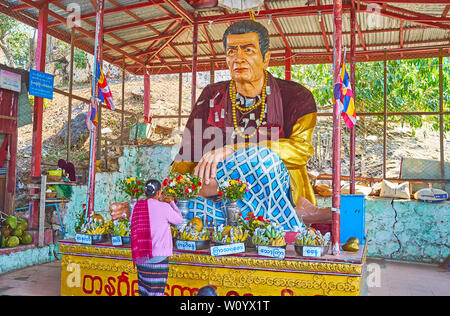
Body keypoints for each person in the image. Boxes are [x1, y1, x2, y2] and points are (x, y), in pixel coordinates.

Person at [170, 20, 331, 229]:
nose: (239, 59)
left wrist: (234, 150)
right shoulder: (212, 96)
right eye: (231, 52)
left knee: (260, 160)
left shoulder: (295, 96)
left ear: (266, 59)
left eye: (248, 50)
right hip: (221, 199)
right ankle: (292, 217)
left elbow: (300, 151)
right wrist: (167, 190)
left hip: (277, 193)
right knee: (185, 210)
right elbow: (187, 155)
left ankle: (281, 215)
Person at [130, 179, 183, 296]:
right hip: (158, 259)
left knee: (144, 292)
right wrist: (172, 203)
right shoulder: (164, 207)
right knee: (156, 293)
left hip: (141, 259)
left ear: (145, 192)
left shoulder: (136, 207)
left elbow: (132, 224)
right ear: (159, 192)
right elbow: (179, 220)